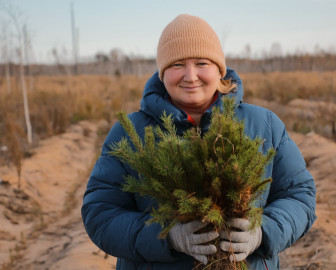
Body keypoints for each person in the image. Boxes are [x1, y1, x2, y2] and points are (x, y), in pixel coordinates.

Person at [81, 14, 316, 270]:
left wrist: (263, 232)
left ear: (219, 69)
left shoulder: (264, 125)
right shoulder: (131, 134)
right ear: (162, 73)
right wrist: (167, 236)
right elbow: (100, 214)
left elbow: (299, 196)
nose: (190, 76)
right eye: (177, 64)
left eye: (202, 63)